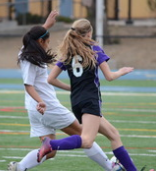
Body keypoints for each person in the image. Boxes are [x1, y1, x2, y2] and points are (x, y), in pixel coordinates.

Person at [8, 11, 123, 171]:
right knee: (84, 136)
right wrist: (41, 101)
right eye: (47, 42)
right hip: (46, 107)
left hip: (33, 110)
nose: (48, 45)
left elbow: (32, 38)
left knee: (50, 151)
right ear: (40, 41)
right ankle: (112, 168)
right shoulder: (29, 60)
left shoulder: (25, 50)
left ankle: (20, 167)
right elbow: (28, 85)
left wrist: (46, 26)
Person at [38, 18, 140, 171]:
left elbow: (50, 78)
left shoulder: (69, 52)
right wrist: (121, 71)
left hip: (77, 101)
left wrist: (71, 88)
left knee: (113, 135)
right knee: (86, 141)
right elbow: (109, 77)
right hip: (90, 100)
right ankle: (51, 144)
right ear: (89, 33)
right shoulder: (94, 48)